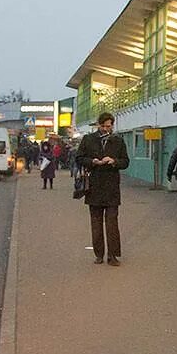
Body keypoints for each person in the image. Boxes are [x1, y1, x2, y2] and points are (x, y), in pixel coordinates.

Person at [78, 112, 129, 265]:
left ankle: (113, 256)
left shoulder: (118, 141)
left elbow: (126, 162)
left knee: (112, 223)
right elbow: (79, 158)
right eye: (105, 126)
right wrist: (92, 161)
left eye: (110, 126)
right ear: (99, 125)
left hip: (112, 186)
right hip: (94, 186)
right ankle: (99, 254)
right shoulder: (88, 139)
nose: (108, 129)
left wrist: (113, 161)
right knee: (96, 223)